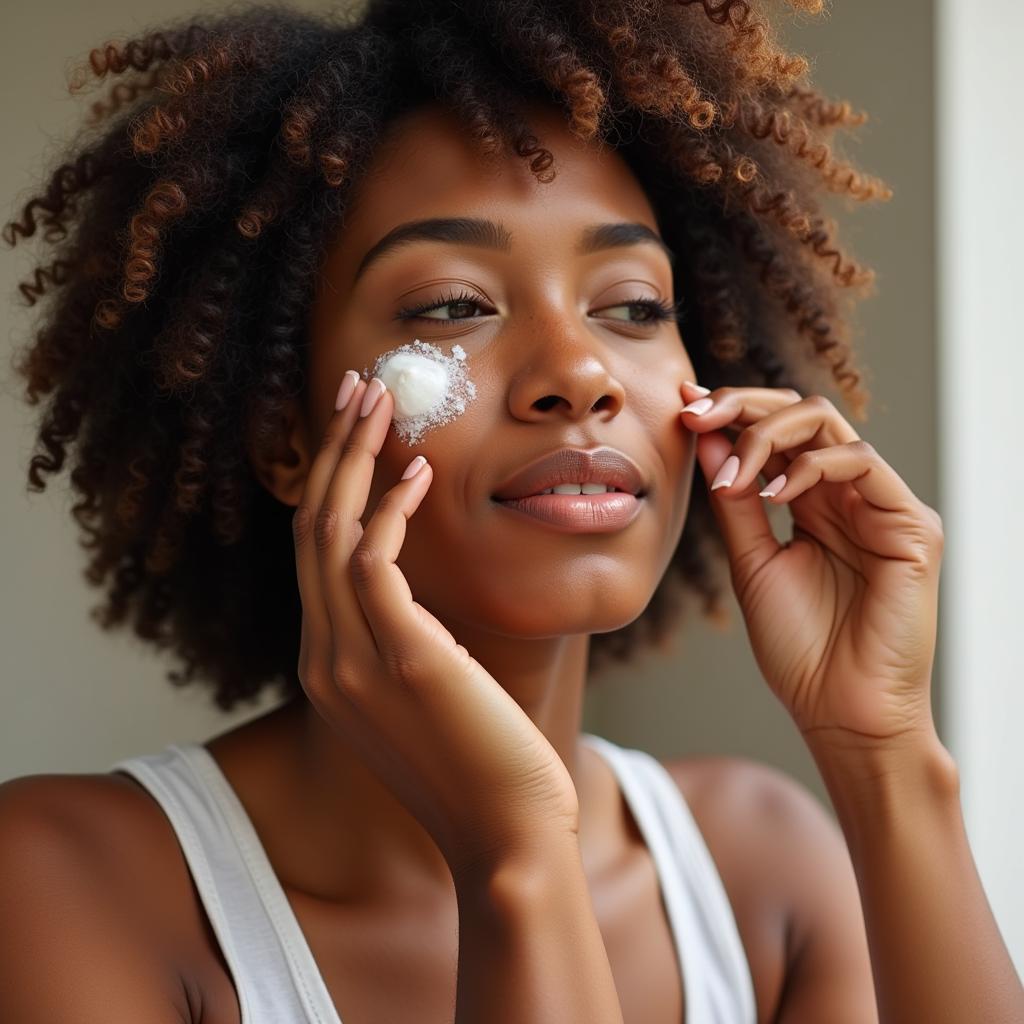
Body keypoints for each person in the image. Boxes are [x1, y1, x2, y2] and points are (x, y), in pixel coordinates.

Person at [2, 1, 1021, 1021]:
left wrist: (882, 755)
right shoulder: (64, 881)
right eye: (454, 306)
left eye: (631, 306)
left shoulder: (761, 868)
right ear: (287, 436)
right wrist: (517, 856)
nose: (579, 372)